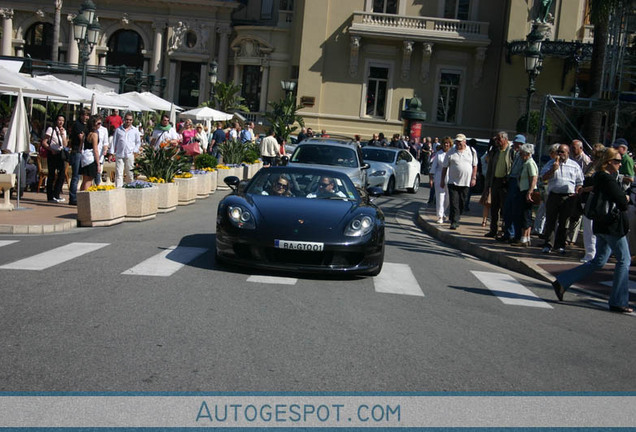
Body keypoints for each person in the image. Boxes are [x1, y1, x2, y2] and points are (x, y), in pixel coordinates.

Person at [551, 148, 633, 314]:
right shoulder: (608, 179)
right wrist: (626, 197)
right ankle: (618, 301)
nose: (620, 164)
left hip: (602, 224)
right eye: (617, 161)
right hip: (611, 226)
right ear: (608, 162)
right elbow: (622, 202)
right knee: (624, 260)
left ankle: (563, 281)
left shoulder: (601, 177)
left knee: (599, 260)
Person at [540, 143, 584, 254]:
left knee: (564, 222)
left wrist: (577, 190)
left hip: (568, 197)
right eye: (558, 151)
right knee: (551, 221)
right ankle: (548, 244)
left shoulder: (574, 165)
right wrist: (553, 169)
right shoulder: (551, 163)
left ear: (568, 153)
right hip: (554, 195)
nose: (560, 154)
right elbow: (543, 177)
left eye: (562, 152)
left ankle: (560, 245)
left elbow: (580, 181)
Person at [440, 133, 478, 230]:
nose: (458, 143)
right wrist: (442, 180)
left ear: (464, 141)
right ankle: (454, 221)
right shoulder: (451, 152)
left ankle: (455, 217)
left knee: (462, 202)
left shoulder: (471, 151)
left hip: (465, 182)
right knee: (454, 202)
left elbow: (475, 165)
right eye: (457, 141)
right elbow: (445, 167)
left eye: (460, 142)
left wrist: (473, 177)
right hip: (453, 182)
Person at [483, 131, 514, 238]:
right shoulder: (495, 152)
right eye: (496, 139)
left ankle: (505, 231)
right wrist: (488, 185)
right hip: (495, 181)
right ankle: (493, 230)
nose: (497, 141)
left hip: (505, 183)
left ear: (505, 140)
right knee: (494, 208)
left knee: (505, 209)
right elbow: (490, 169)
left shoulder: (511, 151)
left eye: (499, 139)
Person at [579, 144, 606, 262]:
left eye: (595, 157)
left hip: (595, 202)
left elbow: (597, 186)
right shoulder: (590, 166)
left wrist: (584, 189)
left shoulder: (602, 171)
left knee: (591, 229)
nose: (592, 159)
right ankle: (589, 252)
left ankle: (591, 254)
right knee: (588, 228)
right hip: (586, 200)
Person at [499, 134, 526, 242]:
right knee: (507, 210)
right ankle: (508, 233)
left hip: (518, 184)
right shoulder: (517, 155)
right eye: (514, 143)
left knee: (515, 211)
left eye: (518, 144)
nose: (515, 145)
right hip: (512, 181)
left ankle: (514, 234)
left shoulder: (525, 158)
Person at [511, 143, 538, 247]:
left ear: (527, 154)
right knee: (525, 214)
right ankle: (525, 238)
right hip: (523, 190)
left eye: (522, 153)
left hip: (526, 191)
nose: (521, 155)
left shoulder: (530, 163)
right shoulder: (526, 163)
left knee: (525, 215)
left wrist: (530, 192)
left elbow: (534, 177)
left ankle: (524, 239)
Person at [41, 114, 68, 203]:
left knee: (61, 175)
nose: (61, 122)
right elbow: (44, 142)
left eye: (62, 121)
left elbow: (65, 145)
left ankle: (57, 194)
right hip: (52, 153)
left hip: (60, 154)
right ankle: (50, 196)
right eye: (59, 120)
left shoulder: (63, 131)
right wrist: (51, 149)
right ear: (56, 120)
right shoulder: (51, 129)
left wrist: (62, 134)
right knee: (51, 174)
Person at [111, 112, 142, 187]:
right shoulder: (118, 130)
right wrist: (111, 153)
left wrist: (135, 151)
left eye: (130, 120)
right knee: (119, 173)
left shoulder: (135, 130)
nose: (128, 121)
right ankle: (118, 190)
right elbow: (114, 142)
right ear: (124, 119)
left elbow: (138, 142)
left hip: (129, 154)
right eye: (127, 119)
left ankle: (129, 188)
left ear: (132, 120)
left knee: (130, 173)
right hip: (119, 154)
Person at [69, 108, 90, 205]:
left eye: (87, 115)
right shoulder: (77, 125)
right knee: (76, 176)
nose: (86, 117)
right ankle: (73, 198)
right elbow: (82, 138)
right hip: (77, 151)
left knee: (85, 176)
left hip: (84, 152)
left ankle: (81, 197)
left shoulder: (87, 126)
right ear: (81, 115)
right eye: (84, 115)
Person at [429, 136, 451, 224]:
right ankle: (440, 216)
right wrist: (431, 178)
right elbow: (433, 166)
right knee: (440, 197)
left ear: (450, 144)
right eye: (445, 143)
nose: (446, 144)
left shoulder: (452, 153)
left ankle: (443, 211)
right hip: (439, 176)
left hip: (450, 177)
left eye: (448, 143)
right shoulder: (439, 153)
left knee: (448, 198)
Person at [80, 115, 101, 191]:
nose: (100, 125)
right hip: (91, 158)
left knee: (84, 180)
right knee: (89, 181)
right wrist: (98, 164)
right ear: (94, 124)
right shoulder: (94, 134)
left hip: (84, 157)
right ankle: (85, 199)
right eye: (98, 123)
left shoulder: (86, 132)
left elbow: (80, 146)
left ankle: (81, 199)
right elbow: (95, 149)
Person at [96, 115, 109, 185]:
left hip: (99, 154)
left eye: (100, 123)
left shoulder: (104, 130)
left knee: (98, 173)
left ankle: (97, 187)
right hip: (90, 155)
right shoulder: (91, 129)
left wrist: (105, 149)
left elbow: (106, 142)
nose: (98, 125)